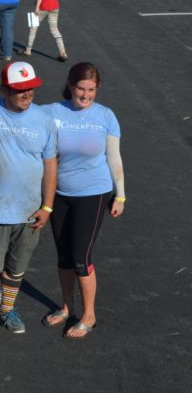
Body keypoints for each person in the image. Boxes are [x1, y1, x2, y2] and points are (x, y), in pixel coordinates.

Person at [43, 62, 125, 340]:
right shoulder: (53, 112)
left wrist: (121, 194)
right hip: (60, 194)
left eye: (91, 90)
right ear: (70, 85)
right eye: (81, 88)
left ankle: (89, 315)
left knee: (81, 257)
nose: (86, 95)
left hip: (94, 193)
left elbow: (114, 158)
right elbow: (18, 110)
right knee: (64, 257)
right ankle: (67, 307)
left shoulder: (106, 116)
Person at [0, 61, 57, 334]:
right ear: (3, 89)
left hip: (29, 210)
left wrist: (47, 206)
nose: (27, 94)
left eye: (30, 88)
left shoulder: (44, 120)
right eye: (19, 89)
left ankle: (7, 309)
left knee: (17, 266)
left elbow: (50, 166)